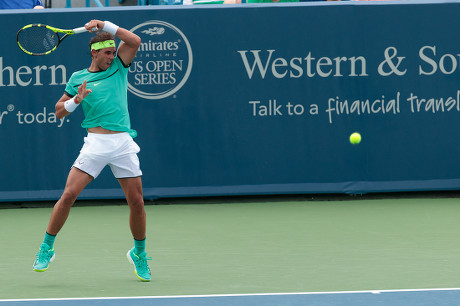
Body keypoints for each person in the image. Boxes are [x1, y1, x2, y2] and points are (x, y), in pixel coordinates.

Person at [32, 19, 151, 282]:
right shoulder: (78, 78)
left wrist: (106, 25)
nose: (112, 56)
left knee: (137, 202)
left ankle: (139, 254)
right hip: (96, 143)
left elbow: (134, 41)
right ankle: (46, 248)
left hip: (122, 143)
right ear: (95, 52)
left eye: (113, 52)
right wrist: (76, 100)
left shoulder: (120, 65)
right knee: (68, 195)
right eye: (107, 52)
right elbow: (58, 112)